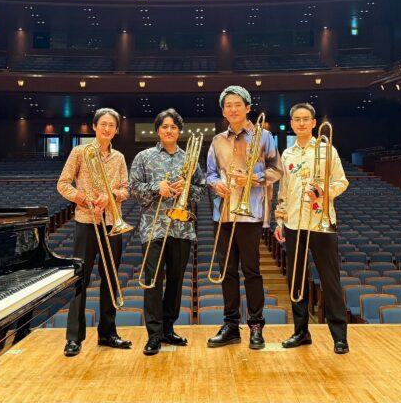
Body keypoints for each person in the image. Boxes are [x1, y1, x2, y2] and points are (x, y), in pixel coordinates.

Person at [205, 85, 282, 350]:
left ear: (248, 108)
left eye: (238, 104)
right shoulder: (217, 141)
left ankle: (256, 326)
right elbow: (210, 174)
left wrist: (253, 178)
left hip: (251, 214)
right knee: (227, 273)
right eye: (228, 105)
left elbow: (276, 170)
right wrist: (216, 184)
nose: (233, 109)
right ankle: (230, 326)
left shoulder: (265, 136)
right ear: (223, 111)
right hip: (224, 213)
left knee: (251, 271)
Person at [273, 103, 350, 354]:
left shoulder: (327, 150)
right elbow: (283, 191)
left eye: (306, 119)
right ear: (292, 124)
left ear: (314, 123)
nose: (301, 123)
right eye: (297, 119)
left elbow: (341, 181)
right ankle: (300, 332)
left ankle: (339, 336)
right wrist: (279, 220)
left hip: (320, 222)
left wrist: (323, 191)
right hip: (294, 223)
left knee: (330, 279)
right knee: (296, 280)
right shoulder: (287, 154)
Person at [129, 108, 205, 356]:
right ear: (158, 130)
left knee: (176, 281)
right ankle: (153, 334)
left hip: (182, 229)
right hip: (153, 228)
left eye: (173, 127)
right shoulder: (144, 157)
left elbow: (201, 191)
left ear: (179, 131)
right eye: (165, 127)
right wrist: (155, 187)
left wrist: (187, 188)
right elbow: (133, 189)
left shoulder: (189, 159)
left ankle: (168, 329)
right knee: (152, 282)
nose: (169, 130)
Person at [57, 108, 132, 357]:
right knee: (81, 279)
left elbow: (126, 189)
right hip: (86, 222)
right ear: (94, 126)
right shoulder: (80, 152)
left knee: (110, 279)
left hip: (112, 222)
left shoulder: (119, 157)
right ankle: (74, 337)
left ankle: (108, 333)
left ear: (116, 130)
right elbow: (63, 183)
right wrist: (82, 198)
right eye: (103, 124)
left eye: (112, 125)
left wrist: (111, 197)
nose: (107, 129)